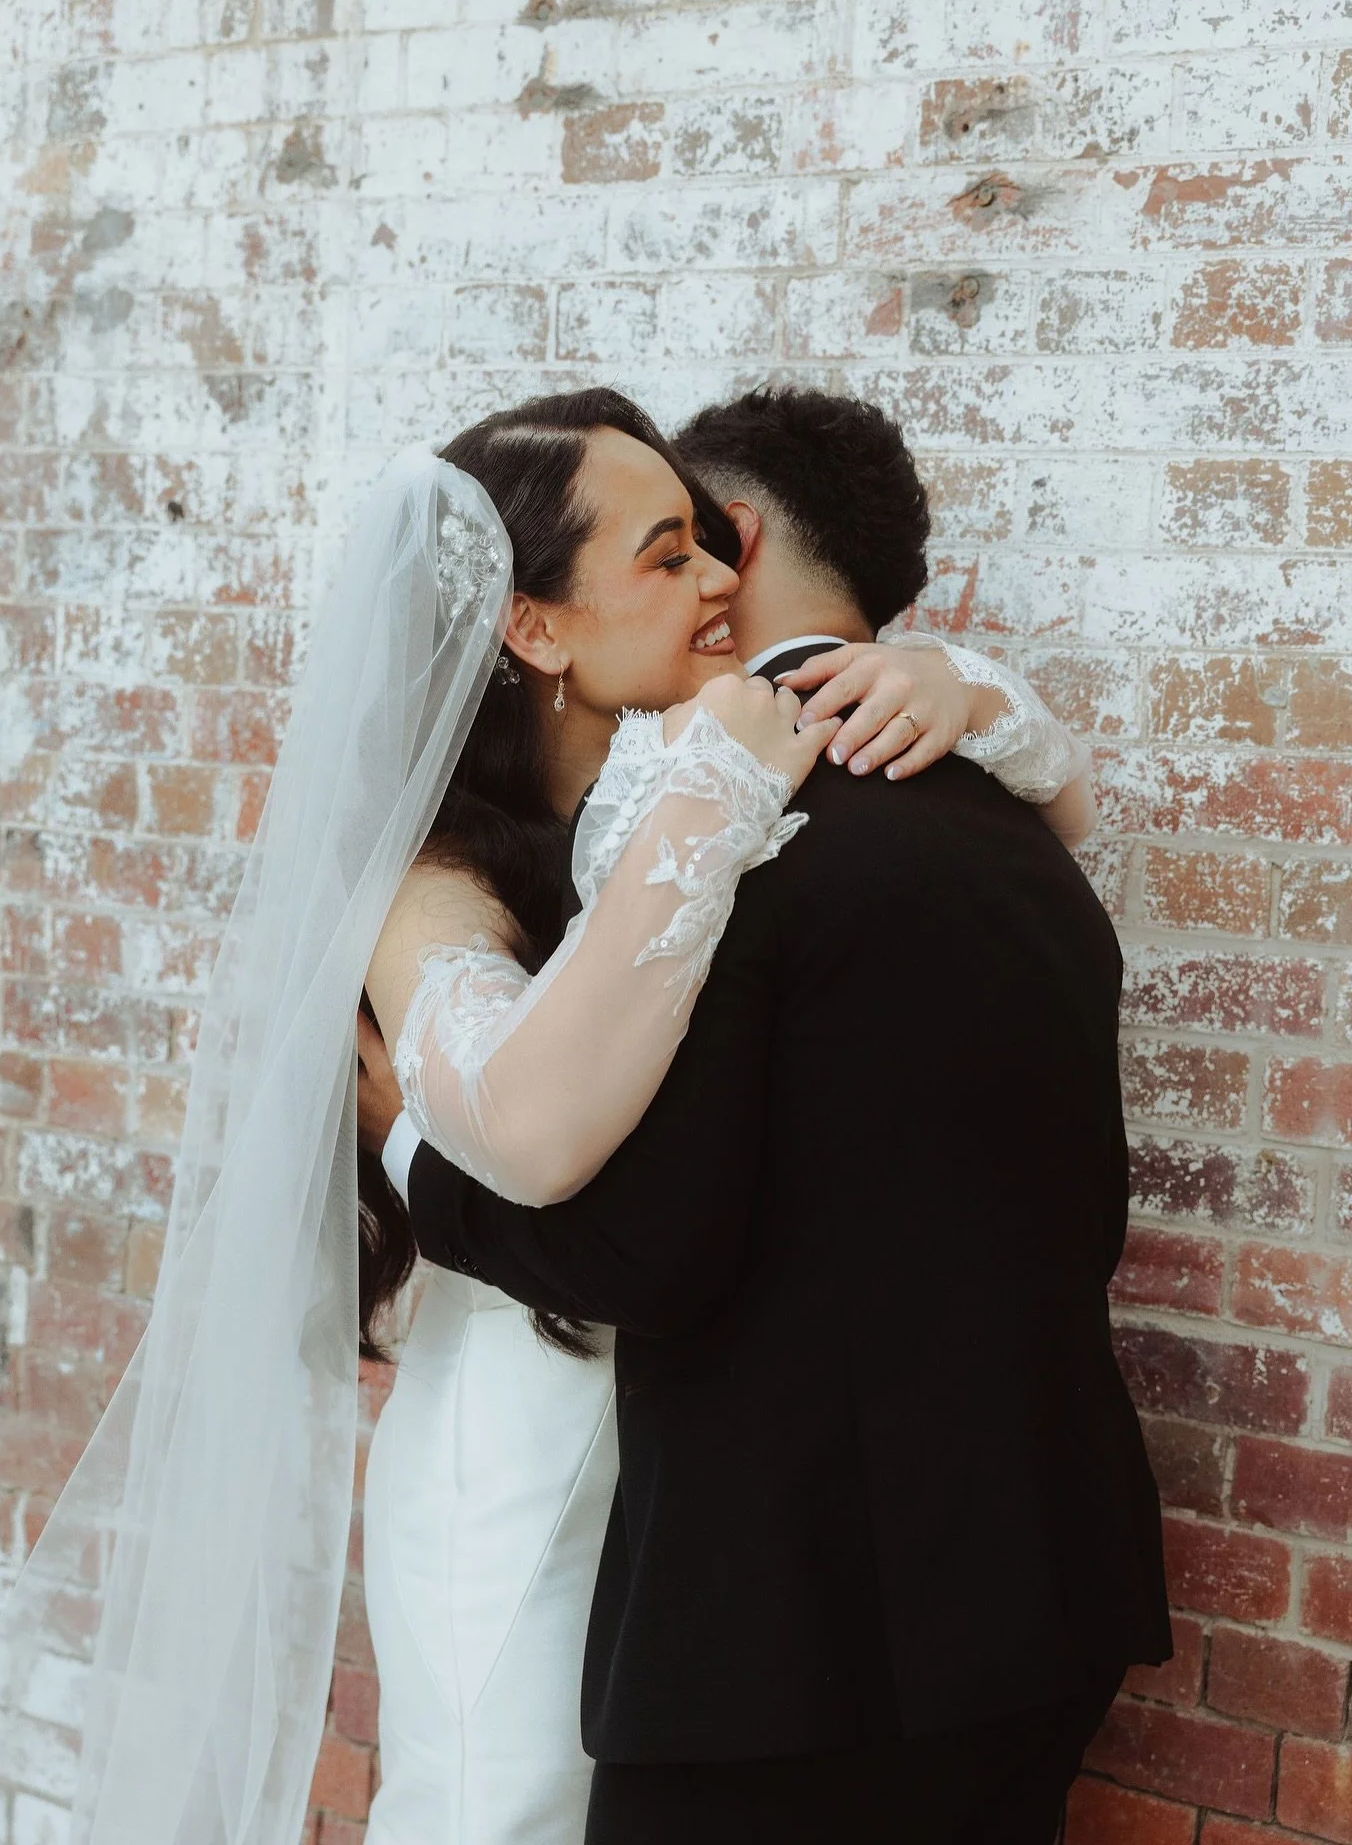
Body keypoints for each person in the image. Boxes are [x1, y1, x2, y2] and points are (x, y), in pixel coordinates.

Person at [364, 387, 1173, 1845]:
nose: (710, 586)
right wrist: (979, 700)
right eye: (662, 557)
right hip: (1042, 1573)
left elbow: (643, 1250)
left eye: (697, 546)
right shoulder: (1006, 821)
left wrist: (414, 1147)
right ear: (532, 627)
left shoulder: (730, 830)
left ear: (740, 533)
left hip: (785, 1621)